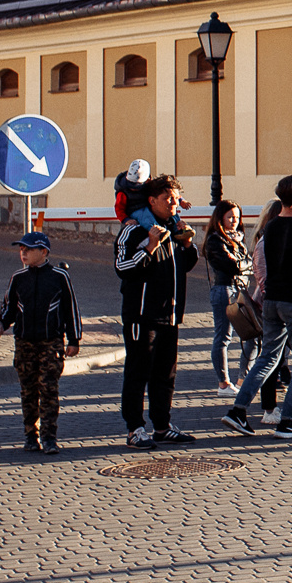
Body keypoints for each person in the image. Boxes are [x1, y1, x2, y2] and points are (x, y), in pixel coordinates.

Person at [226, 174, 292, 438]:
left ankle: (238, 410)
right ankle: (287, 420)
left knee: (268, 356)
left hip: (271, 299)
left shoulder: (270, 228)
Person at [114, 173, 199, 448]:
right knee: (138, 372)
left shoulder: (174, 227)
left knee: (166, 374)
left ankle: (162, 426)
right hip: (142, 316)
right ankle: (135, 429)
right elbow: (122, 268)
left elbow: (184, 266)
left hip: (170, 314)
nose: (173, 204)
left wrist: (187, 244)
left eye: (176, 199)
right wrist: (149, 247)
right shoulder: (135, 228)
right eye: (167, 199)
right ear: (152, 200)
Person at [0, 229, 80, 454]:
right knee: (28, 390)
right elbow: (9, 309)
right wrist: (1, 325)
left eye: (29, 249)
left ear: (44, 252)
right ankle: (30, 435)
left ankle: (49, 437)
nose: (23, 253)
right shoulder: (18, 278)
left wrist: (74, 339)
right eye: (21, 249)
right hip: (24, 343)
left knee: (49, 389)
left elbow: (71, 310)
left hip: (51, 342)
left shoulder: (59, 276)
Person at [202, 201, 254, 398]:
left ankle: (243, 378)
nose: (235, 221)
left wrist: (245, 264)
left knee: (251, 334)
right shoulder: (215, 240)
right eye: (230, 217)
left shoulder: (238, 238)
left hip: (240, 290)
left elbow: (247, 262)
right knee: (223, 337)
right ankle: (223, 383)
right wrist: (245, 264)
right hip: (224, 290)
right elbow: (234, 266)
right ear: (220, 218)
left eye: (237, 217)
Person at [113, 158, 150, 223]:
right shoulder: (123, 192)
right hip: (132, 217)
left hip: (148, 212)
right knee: (144, 215)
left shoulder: (149, 187)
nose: (132, 188)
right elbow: (119, 208)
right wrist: (126, 220)